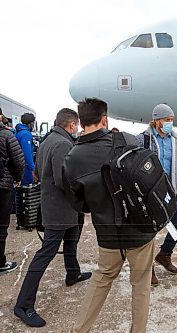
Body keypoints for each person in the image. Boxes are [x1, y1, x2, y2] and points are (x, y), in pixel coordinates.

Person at [62, 98, 156, 332]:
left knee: (101, 279)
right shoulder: (127, 141)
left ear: (81, 122)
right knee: (141, 285)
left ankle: (80, 329)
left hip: (107, 233)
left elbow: (78, 205)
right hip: (140, 229)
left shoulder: (72, 158)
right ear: (104, 119)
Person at [14, 109, 91, 328]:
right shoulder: (63, 144)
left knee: (72, 239)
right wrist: (82, 197)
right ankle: (23, 304)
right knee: (45, 254)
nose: (77, 129)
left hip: (58, 208)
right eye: (76, 125)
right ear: (71, 125)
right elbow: (63, 180)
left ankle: (72, 273)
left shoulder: (49, 140)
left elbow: (39, 171)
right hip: (60, 210)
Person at [136, 104, 177, 282]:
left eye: (171, 120)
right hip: (151, 194)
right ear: (157, 121)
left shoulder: (176, 140)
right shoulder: (143, 139)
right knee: (150, 232)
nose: (170, 123)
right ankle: (149, 268)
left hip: (171, 192)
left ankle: (165, 254)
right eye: (166, 120)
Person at [0, 116, 24, 275]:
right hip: (2, 186)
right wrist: (17, 178)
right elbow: (18, 161)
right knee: (1, 226)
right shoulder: (7, 135)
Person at [15, 113, 36, 185]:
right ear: (31, 124)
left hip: (18, 168)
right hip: (26, 170)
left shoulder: (18, 132)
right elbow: (27, 155)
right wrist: (33, 169)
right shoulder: (26, 134)